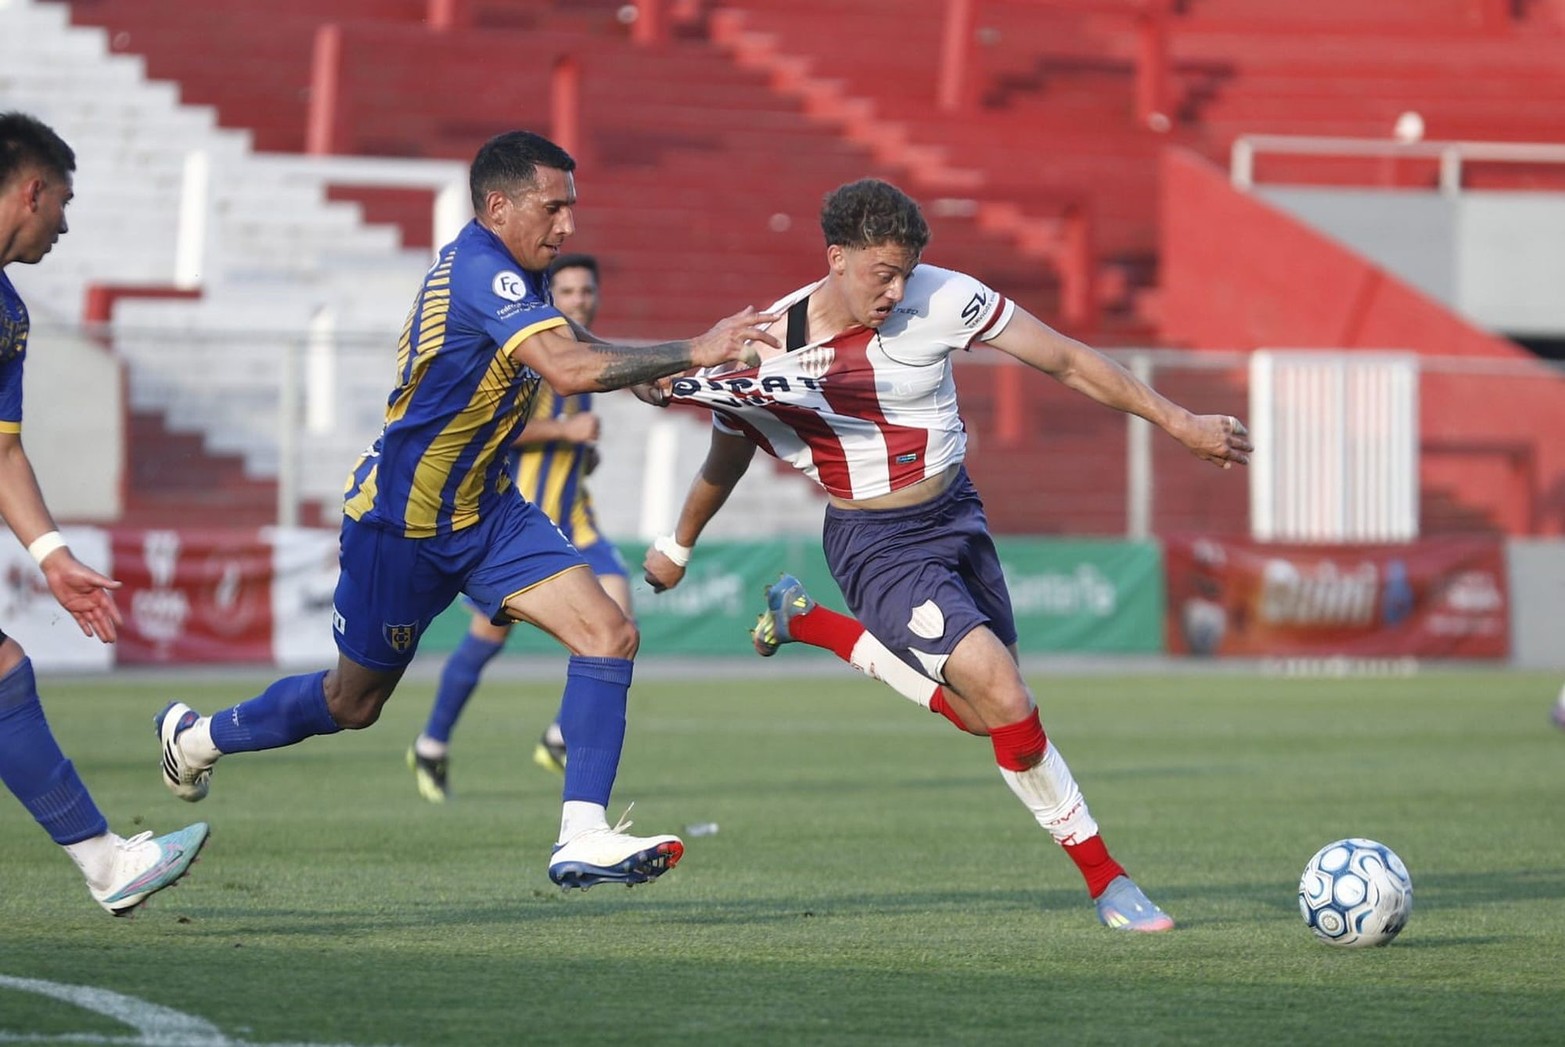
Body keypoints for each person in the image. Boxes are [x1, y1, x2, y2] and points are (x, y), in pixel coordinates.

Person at [153, 130, 778, 890]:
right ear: (497, 205)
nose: (568, 226)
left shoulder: (516, 267)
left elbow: (565, 336)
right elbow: (566, 367)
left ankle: (580, 833)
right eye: (554, 208)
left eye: (572, 209)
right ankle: (198, 737)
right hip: (401, 524)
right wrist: (693, 348)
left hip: (487, 512)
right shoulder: (483, 270)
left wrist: (633, 371)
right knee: (353, 703)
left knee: (608, 633)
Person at [641, 178, 1253, 930]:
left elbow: (1062, 359)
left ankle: (806, 622)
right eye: (881, 274)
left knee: (986, 716)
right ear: (836, 258)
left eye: (904, 273)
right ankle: (1107, 880)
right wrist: (677, 543)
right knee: (1004, 696)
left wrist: (1179, 420)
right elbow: (727, 446)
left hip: (957, 518)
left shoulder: (944, 297)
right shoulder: (764, 346)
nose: (896, 291)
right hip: (876, 546)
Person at [0, 111, 209, 915]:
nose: (65, 223)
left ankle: (106, 864)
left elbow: (3, 451)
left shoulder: (8, 315)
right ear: (33, 190)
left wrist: (51, 555)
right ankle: (105, 865)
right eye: (65, 203)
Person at [408, 253, 632, 801]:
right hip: (520, 519)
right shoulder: (532, 358)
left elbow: (568, 442)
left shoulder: (581, 358)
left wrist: (582, 454)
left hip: (574, 517)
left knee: (618, 613)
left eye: (586, 291)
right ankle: (432, 743)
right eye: (569, 292)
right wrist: (566, 431)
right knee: (488, 637)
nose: (579, 300)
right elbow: (501, 433)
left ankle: (561, 736)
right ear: (549, 297)